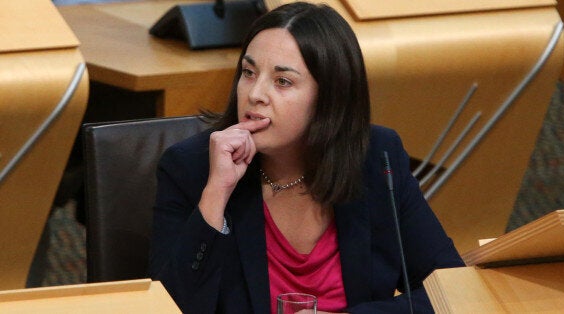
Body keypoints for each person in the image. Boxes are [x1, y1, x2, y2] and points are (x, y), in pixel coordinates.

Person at [150, 2, 464, 313]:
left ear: (329, 98)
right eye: (248, 72)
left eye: (282, 81)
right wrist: (216, 194)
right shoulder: (192, 168)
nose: (255, 93)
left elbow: (455, 290)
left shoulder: (377, 158)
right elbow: (167, 308)